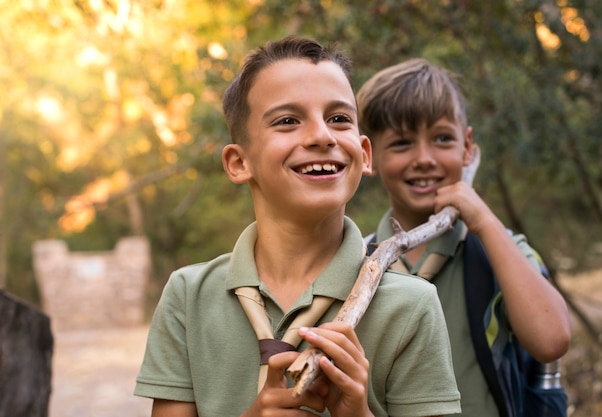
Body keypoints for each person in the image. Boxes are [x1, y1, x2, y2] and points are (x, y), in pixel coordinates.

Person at [134, 36, 461, 417]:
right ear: (239, 162)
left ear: (365, 154)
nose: (322, 136)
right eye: (288, 121)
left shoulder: (412, 305)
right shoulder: (188, 297)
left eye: (339, 119)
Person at [356, 58, 571, 417]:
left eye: (442, 138)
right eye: (402, 143)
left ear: (467, 146)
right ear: (370, 155)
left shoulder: (498, 251)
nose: (424, 159)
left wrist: (484, 221)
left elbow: (551, 340)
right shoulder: (357, 261)